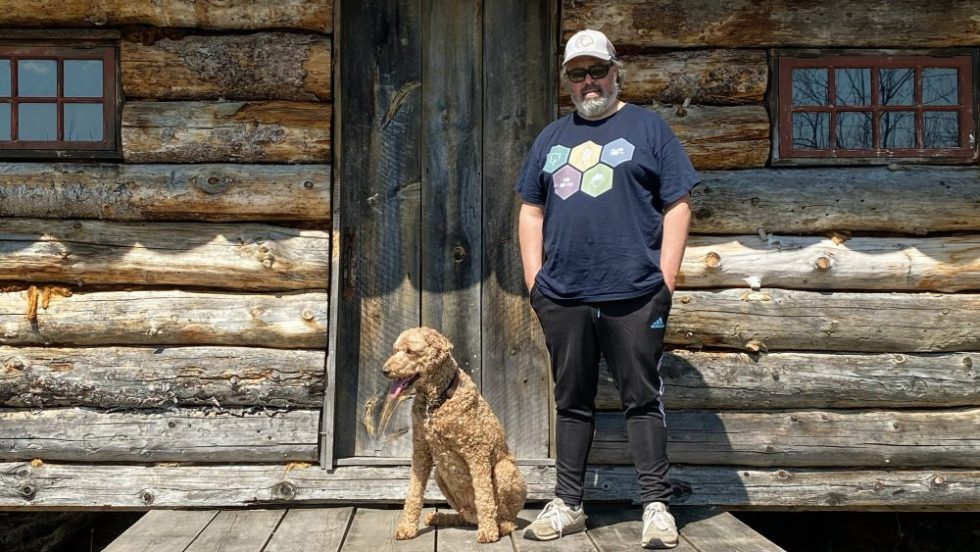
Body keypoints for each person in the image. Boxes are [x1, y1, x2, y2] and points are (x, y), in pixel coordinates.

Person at [515, 29, 699, 549]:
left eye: (597, 70)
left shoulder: (649, 128)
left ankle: (656, 505)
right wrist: (535, 282)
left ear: (616, 72)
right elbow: (530, 210)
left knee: (642, 398)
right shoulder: (551, 138)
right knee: (571, 400)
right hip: (563, 296)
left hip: (636, 294)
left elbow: (679, 204)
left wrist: (665, 280)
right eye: (578, 74)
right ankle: (568, 504)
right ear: (568, 81)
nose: (588, 82)